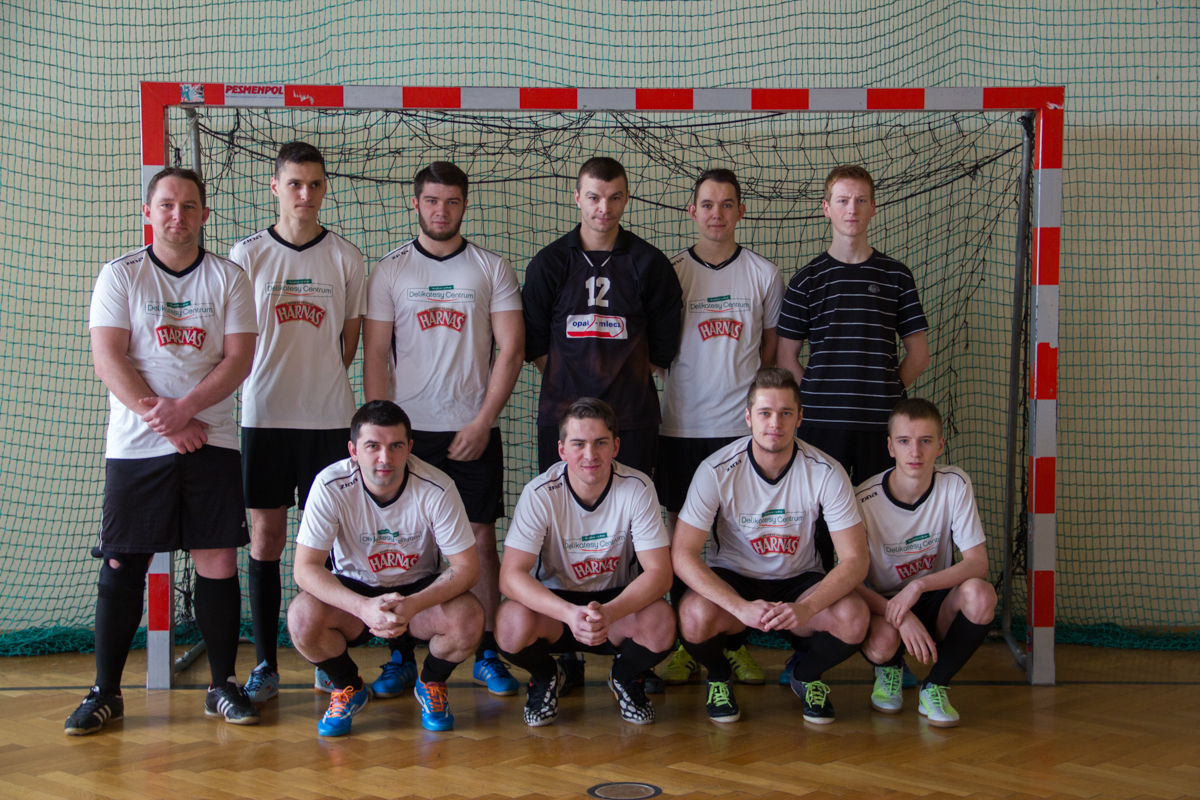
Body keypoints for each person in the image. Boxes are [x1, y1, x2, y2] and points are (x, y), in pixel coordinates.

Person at [67, 168, 259, 735]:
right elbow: (109, 358)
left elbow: (239, 359)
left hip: (212, 438)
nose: (179, 215)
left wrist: (188, 410)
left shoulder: (229, 277)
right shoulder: (120, 274)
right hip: (137, 447)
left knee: (217, 561)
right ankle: (106, 692)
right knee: (122, 562)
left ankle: (222, 685)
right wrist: (168, 422)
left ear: (204, 215)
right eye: (167, 205)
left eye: (189, 205)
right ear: (148, 212)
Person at [363, 161, 524, 697]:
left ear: (464, 205)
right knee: (405, 545)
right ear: (416, 203)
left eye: (452, 201)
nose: (441, 210)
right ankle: (399, 656)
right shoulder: (390, 270)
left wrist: (483, 421)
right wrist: (384, 437)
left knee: (479, 541)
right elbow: (375, 354)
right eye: (432, 200)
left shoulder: (490, 267)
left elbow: (512, 349)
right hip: (407, 435)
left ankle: (486, 652)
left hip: (469, 430)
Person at [521, 156, 682, 690]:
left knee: (630, 534)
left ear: (626, 199)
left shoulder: (649, 264)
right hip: (562, 421)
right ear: (577, 198)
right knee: (562, 532)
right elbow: (535, 345)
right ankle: (565, 646)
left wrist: (615, 391)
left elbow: (662, 350)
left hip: (632, 420)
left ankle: (631, 652)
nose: (603, 208)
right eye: (593, 196)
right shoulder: (550, 263)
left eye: (614, 197)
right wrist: (577, 404)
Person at [227, 141, 366, 704]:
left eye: (314, 184)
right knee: (267, 538)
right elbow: (236, 338)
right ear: (275, 187)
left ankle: (325, 659)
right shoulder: (247, 254)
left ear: (325, 188)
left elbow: (349, 343)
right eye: (294, 183)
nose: (305, 194)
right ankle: (264, 663)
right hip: (264, 417)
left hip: (328, 419)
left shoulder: (346, 256)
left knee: (327, 544)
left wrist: (318, 380)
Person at [671, 367, 870, 725]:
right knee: (693, 615)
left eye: (785, 413)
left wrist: (808, 607)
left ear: (799, 418)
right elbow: (683, 554)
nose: (774, 423)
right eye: (764, 413)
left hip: (799, 580)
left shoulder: (826, 471)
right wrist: (739, 607)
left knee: (854, 617)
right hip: (735, 578)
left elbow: (856, 560)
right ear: (748, 417)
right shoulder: (716, 469)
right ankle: (719, 676)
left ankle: (806, 675)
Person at [656, 168, 784, 688]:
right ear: (692, 211)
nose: (717, 214)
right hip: (681, 427)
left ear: (740, 212)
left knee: (738, 537)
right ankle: (687, 642)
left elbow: (771, 352)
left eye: (727, 204)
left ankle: (733, 644)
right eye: (707, 204)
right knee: (679, 538)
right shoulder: (671, 272)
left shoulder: (763, 273)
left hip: (739, 432)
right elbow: (656, 353)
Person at [286, 401, 483, 736]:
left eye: (395, 446)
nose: (384, 458)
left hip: (418, 593)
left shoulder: (437, 487)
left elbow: (467, 567)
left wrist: (414, 604)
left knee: (469, 617)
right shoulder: (330, 485)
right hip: (354, 593)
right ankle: (348, 687)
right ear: (353, 450)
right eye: (373, 446)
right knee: (302, 617)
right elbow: (304, 570)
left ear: (410, 447)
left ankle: (431, 682)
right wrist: (362, 607)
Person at [776, 164, 930, 571]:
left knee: (880, 519)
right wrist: (819, 396)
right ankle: (823, 596)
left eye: (861, 200)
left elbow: (918, 355)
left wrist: (885, 391)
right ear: (826, 207)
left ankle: (876, 598)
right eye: (843, 200)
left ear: (873, 207)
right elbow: (786, 359)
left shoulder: (896, 276)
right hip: (820, 426)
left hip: (881, 426)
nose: (852, 209)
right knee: (819, 521)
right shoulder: (806, 280)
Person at [495, 399, 676, 727]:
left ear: (615, 446)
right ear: (562, 450)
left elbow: (660, 574)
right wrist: (568, 614)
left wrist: (610, 612)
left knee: (662, 621)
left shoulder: (637, 488)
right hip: (556, 610)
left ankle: (624, 677)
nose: (590, 455)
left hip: (616, 607)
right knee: (509, 623)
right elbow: (510, 577)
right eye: (578, 444)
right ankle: (547, 676)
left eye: (600, 443)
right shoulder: (540, 493)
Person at [854, 398, 996, 727]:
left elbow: (977, 563)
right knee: (882, 644)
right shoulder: (863, 498)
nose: (915, 452)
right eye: (904, 441)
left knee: (981, 594)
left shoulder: (955, 483)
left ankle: (935, 686)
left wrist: (918, 586)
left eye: (925, 441)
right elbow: (849, 580)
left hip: (934, 597)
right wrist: (900, 615)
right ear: (890, 447)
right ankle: (888, 668)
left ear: (941, 445)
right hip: (884, 604)